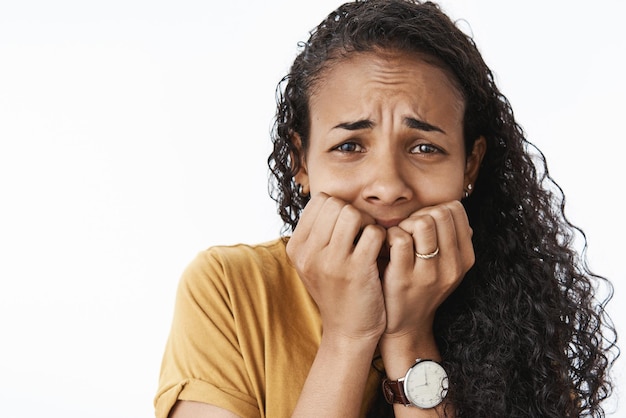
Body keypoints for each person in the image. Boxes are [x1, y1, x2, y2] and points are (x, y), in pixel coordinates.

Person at [154, 0, 618, 416]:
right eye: (351, 145)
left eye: (423, 148)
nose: (388, 186)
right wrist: (347, 338)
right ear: (301, 162)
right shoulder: (228, 290)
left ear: (469, 164)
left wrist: (409, 337)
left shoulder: (523, 311)